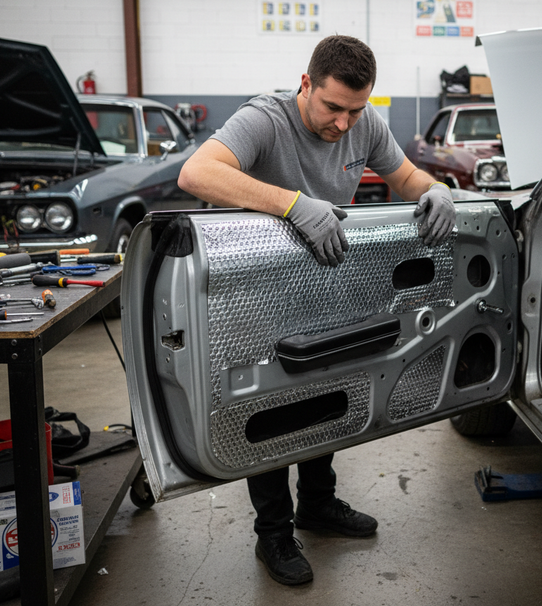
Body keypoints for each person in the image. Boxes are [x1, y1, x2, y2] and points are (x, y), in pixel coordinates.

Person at [178, 34, 455, 586]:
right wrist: (291, 204)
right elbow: (196, 174)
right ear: (306, 84)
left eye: (356, 110)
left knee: (326, 388)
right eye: (333, 107)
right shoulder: (266, 119)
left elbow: (405, 178)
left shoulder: (363, 122)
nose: (344, 124)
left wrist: (439, 187)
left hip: (321, 284)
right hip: (255, 292)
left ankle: (318, 504)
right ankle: (274, 534)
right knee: (273, 405)